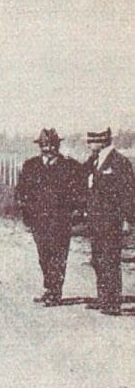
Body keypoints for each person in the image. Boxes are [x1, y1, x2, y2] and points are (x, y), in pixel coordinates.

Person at [15, 128, 83, 306]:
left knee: (58, 256)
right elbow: (22, 191)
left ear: (57, 146)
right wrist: (26, 214)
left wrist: (75, 212)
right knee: (43, 255)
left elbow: (79, 192)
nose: (47, 148)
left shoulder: (70, 166)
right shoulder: (30, 165)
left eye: (51, 145)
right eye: (44, 145)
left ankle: (56, 291)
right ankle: (49, 288)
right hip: (38, 220)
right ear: (40, 146)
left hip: (60, 219)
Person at [83, 127, 135, 315]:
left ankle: (112, 302)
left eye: (92, 141)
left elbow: (128, 194)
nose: (88, 144)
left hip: (112, 220)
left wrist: (128, 220)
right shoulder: (93, 161)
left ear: (103, 141)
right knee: (98, 259)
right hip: (95, 220)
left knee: (110, 259)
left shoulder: (119, 162)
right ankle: (103, 298)